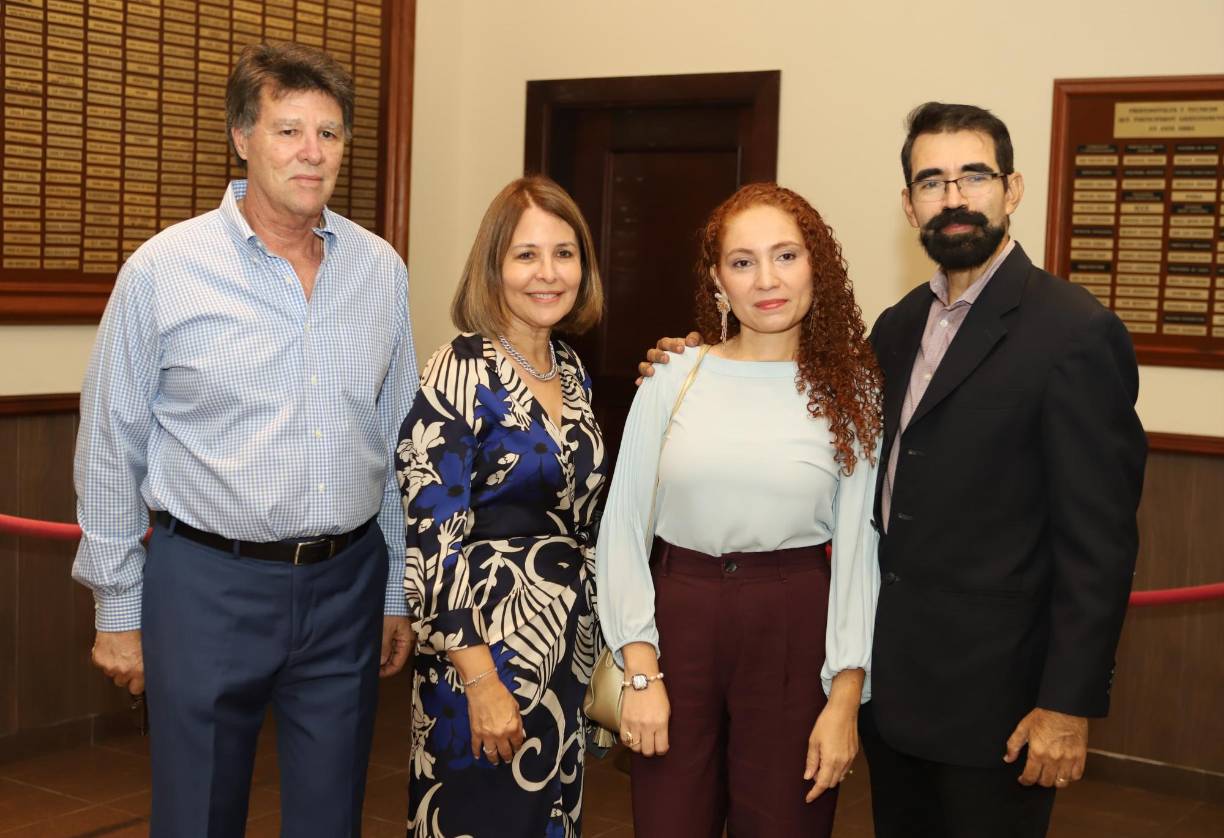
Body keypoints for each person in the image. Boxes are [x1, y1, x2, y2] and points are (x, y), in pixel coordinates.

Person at [640, 103, 1147, 837]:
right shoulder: (898, 327)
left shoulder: (1073, 333)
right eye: (931, 181)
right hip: (894, 693)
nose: (954, 196)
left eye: (973, 175)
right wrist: (689, 364)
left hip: (1000, 705)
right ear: (908, 204)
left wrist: (1066, 705)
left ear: (1013, 189)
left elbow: (1100, 543)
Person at [71, 43, 416, 837]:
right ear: (241, 137)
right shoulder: (165, 269)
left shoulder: (380, 271)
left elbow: (397, 445)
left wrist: (395, 587)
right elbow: (110, 443)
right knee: (198, 815)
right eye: (289, 130)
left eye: (329, 134)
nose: (311, 152)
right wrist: (118, 609)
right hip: (207, 587)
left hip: (345, 583)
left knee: (332, 816)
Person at [598, 183, 882, 837]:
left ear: (819, 266)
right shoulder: (674, 376)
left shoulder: (853, 390)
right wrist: (641, 673)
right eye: (743, 261)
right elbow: (622, 531)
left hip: (793, 622)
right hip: (679, 620)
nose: (767, 280)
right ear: (718, 279)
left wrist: (844, 697)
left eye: (786, 256)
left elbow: (860, 553)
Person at [396, 175, 606, 837]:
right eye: (526, 255)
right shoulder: (460, 366)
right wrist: (482, 680)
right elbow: (433, 538)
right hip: (482, 656)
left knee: (547, 821)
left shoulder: (568, 368)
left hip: (562, 649)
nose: (548, 273)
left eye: (564, 253)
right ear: (494, 268)